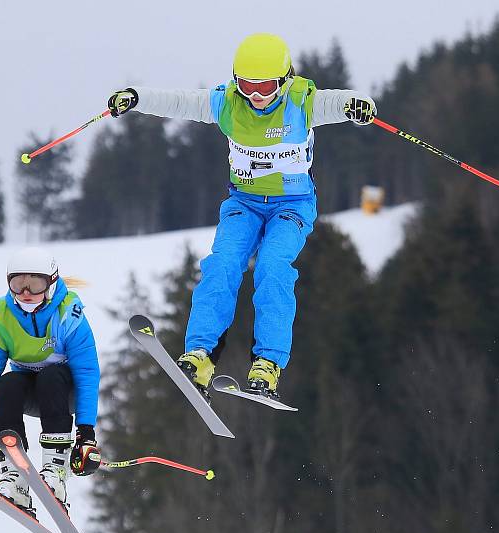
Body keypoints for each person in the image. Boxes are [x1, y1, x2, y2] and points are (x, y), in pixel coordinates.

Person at [107, 32, 376, 397]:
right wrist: (136, 97)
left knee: (273, 267)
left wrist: (359, 106)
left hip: (291, 207)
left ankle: (267, 364)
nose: (255, 96)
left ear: (284, 80)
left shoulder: (301, 102)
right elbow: (179, 102)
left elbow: (340, 103)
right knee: (222, 265)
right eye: (247, 85)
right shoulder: (228, 104)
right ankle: (200, 355)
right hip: (244, 204)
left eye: (264, 86)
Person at [0, 247, 101, 516]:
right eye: (18, 284)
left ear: (51, 284)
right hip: (30, 393)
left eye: (35, 284)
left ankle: (55, 471)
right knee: (7, 384)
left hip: (65, 393)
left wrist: (86, 435)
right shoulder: (1, 318)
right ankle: (14, 476)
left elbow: (87, 373)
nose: (26, 293)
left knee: (51, 376)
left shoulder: (68, 313)